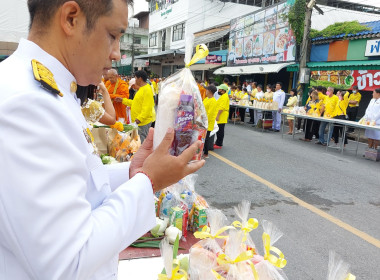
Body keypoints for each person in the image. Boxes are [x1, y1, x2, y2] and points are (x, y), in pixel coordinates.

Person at [0, 1, 205, 279]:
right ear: (71, 19)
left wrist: (132, 171)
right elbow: (68, 262)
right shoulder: (29, 102)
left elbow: (75, 179)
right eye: (113, 35)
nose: (117, 54)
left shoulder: (47, 88)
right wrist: (149, 181)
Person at [122, 70, 155, 143]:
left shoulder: (147, 89)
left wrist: (140, 118)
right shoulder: (141, 89)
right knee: (137, 142)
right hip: (139, 122)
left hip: (143, 122)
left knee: (141, 142)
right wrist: (123, 100)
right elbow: (135, 103)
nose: (135, 80)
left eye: (135, 78)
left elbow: (147, 107)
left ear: (140, 79)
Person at [202, 85, 218, 158]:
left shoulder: (213, 101)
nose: (206, 91)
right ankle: (203, 151)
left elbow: (210, 114)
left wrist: (204, 121)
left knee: (206, 138)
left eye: (207, 90)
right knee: (203, 137)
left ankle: (206, 153)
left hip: (207, 122)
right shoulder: (206, 99)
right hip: (202, 120)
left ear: (210, 91)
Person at [214, 84, 230, 149]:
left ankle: (219, 144)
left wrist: (217, 115)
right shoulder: (223, 96)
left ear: (223, 90)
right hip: (221, 114)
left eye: (220, 89)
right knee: (219, 129)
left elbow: (222, 107)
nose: (218, 90)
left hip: (222, 115)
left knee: (220, 130)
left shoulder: (224, 97)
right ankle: (218, 142)